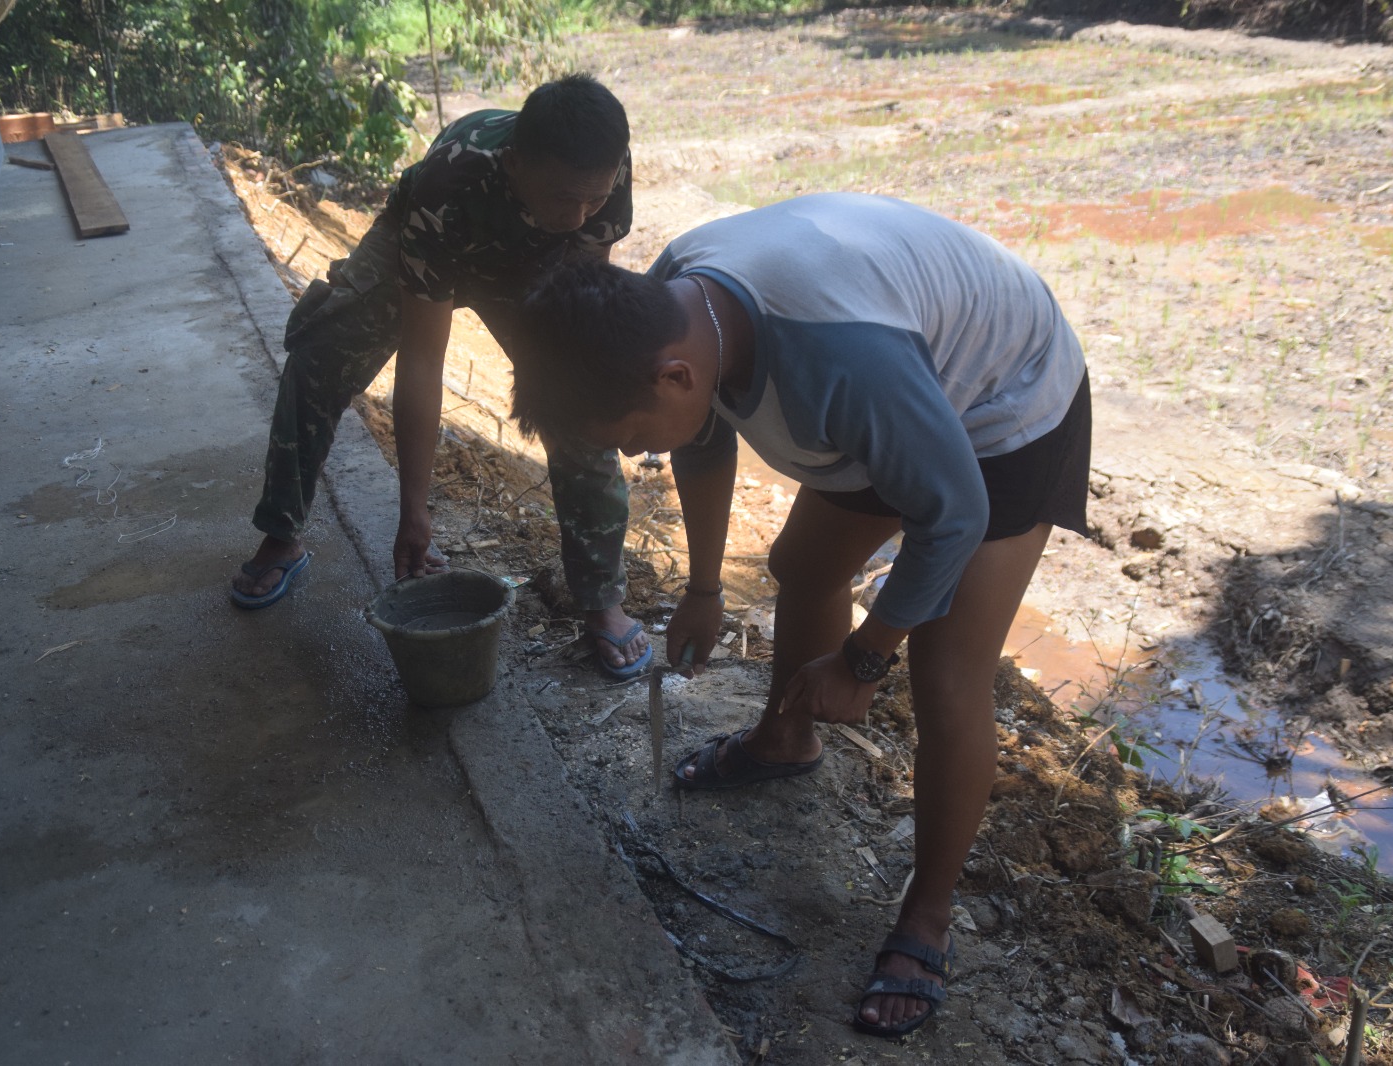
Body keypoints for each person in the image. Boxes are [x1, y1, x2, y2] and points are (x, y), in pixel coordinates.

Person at [511, 193, 1092, 1037]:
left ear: (673, 375)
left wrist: (864, 661)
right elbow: (699, 437)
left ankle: (926, 920)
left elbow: (953, 514)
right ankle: (786, 741)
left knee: (946, 668)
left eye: (630, 436)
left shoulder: (840, 363)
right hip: (905, 382)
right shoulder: (676, 303)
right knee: (804, 567)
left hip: (1004, 404)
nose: (636, 455)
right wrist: (704, 587)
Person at [230, 73, 653, 679]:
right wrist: (413, 511)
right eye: (566, 198)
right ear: (515, 163)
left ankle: (601, 596)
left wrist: (567, 370)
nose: (582, 213)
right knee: (322, 351)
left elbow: (578, 299)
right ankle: (281, 533)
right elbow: (424, 359)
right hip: (435, 235)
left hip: (534, 265)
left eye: (595, 198)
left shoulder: (599, 177)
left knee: (577, 397)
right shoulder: (448, 184)